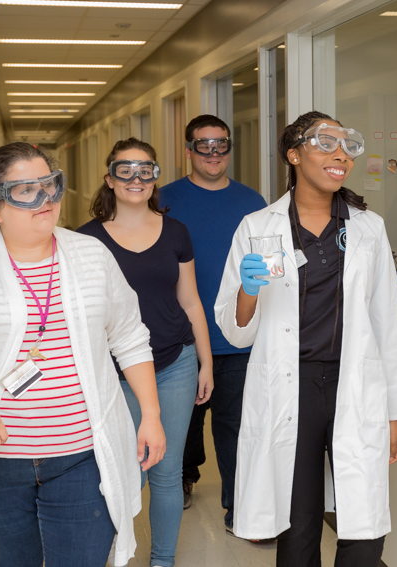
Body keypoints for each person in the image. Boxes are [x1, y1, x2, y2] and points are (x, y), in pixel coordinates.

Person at [0, 142, 166, 567]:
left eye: (50, 185)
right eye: (26, 191)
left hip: (82, 458)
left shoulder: (92, 256)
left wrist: (150, 415)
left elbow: (130, 337)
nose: (45, 200)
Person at [214, 111, 397, 567]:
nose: (340, 155)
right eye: (325, 144)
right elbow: (235, 329)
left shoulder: (367, 227)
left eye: (347, 146)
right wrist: (249, 290)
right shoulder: (259, 227)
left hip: (355, 384)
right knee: (299, 520)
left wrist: (394, 412)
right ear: (294, 154)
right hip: (292, 387)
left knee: (363, 520)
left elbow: (387, 322)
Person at [77, 138, 214, 567]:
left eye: (146, 170)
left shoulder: (175, 231)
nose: (136, 179)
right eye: (125, 170)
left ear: (155, 177)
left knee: (167, 472)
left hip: (175, 362)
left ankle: (162, 561)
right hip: (115, 371)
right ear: (110, 179)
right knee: (124, 473)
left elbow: (190, 301)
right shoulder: (86, 240)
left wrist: (206, 362)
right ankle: (117, 554)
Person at [159, 114, 266, 531]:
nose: (213, 153)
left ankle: (238, 506)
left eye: (221, 144)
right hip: (180, 335)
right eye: (203, 145)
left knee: (235, 426)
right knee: (183, 421)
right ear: (188, 150)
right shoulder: (164, 198)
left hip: (238, 335)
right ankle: (185, 476)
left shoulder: (252, 202)